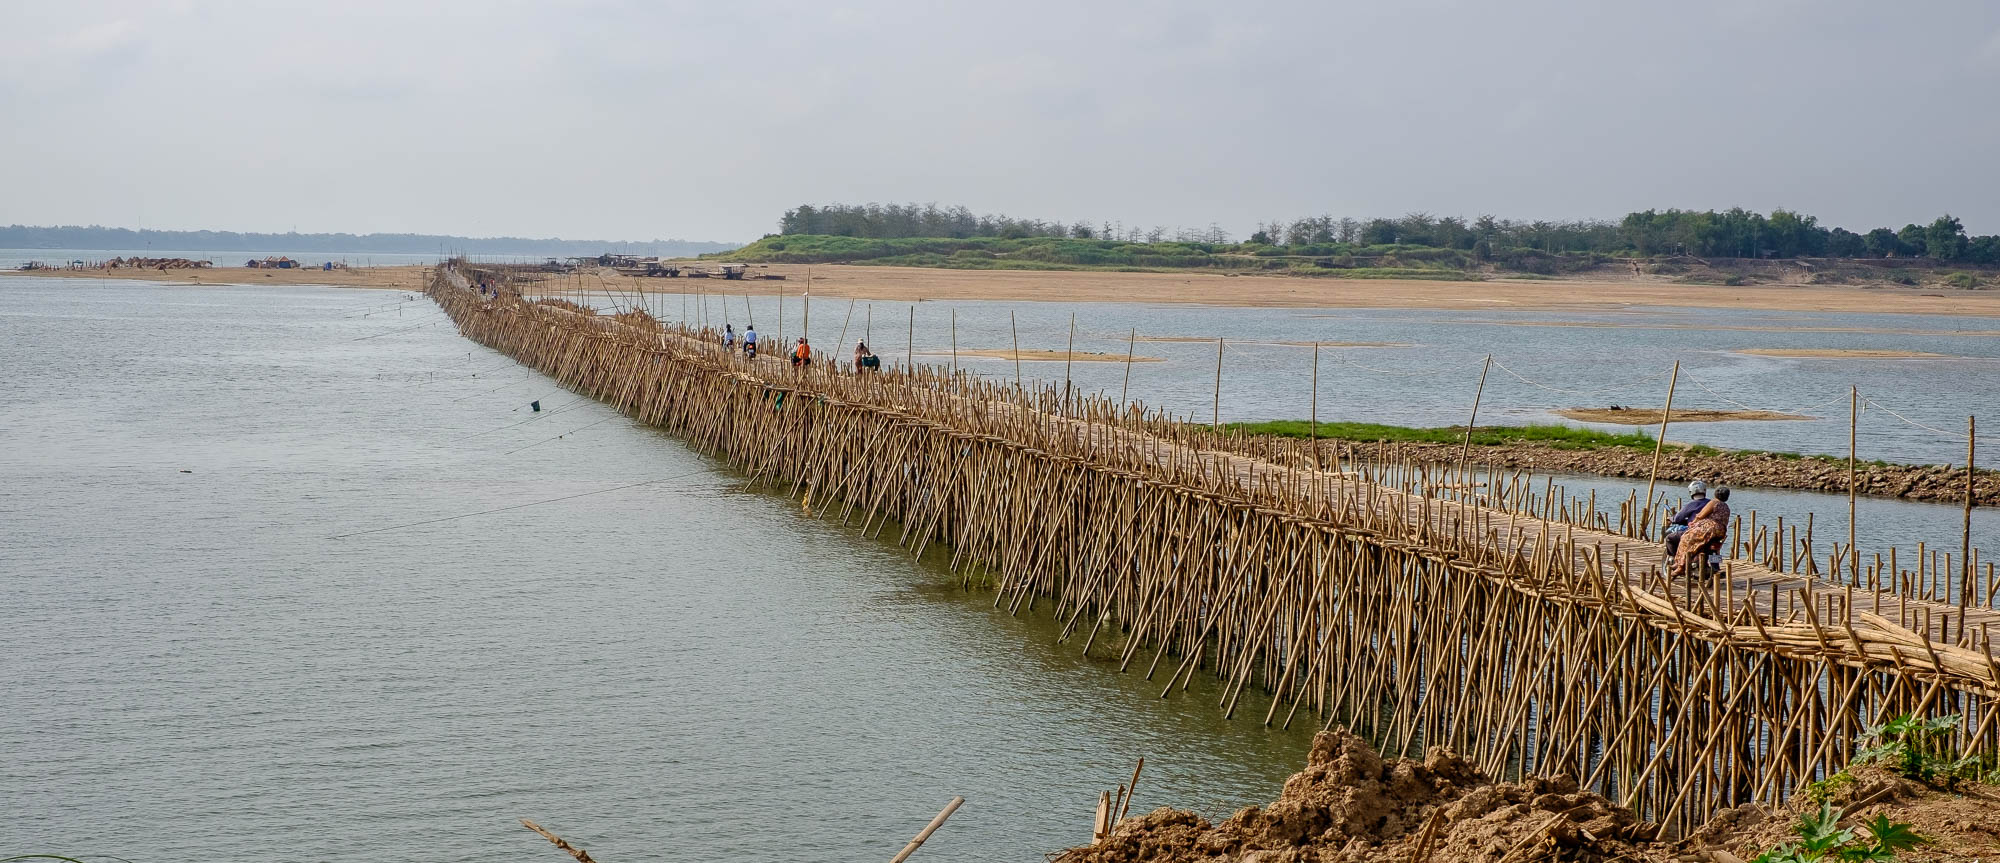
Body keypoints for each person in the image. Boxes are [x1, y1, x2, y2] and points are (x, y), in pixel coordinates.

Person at [1673, 486, 1731, 580]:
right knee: (1715, 550)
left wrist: (1694, 522)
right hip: (1721, 531)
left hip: (1709, 529)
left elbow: (1700, 515)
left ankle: (1681, 565)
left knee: (1686, 538)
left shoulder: (1713, 502)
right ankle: (1716, 567)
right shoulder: (1726, 507)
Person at [1664, 480, 1708, 560]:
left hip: (1696, 532)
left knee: (1669, 538)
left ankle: (1676, 560)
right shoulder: (1710, 503)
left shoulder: (1692, 504)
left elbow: (1678, 518)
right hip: (1710, 533)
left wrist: (1671, 518)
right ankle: (1715, 565)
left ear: (1691, 491)